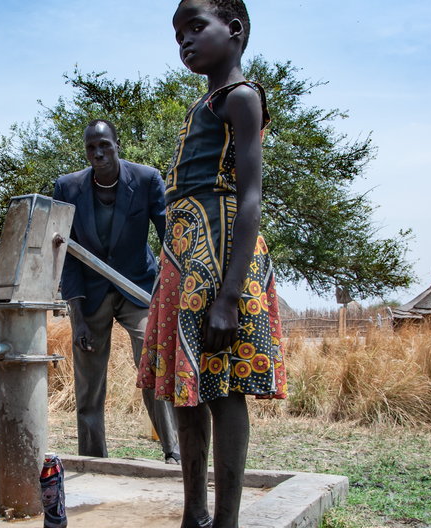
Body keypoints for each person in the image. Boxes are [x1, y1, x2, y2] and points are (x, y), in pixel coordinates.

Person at [136, 2, 288, 527]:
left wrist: (228, 295)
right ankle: (193, 514)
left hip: (219, 257)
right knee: (188, 388)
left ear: (236, 30)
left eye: (196, 27)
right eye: (178, 33)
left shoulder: (241, 98)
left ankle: (224, 520)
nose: (185, 41)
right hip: (185, 259)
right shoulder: (205, 105)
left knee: (223, 390)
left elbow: (250, 199)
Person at [53, 119, 180, 464]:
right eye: (91, 148)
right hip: (90, 295)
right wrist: (77, 317)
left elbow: (170, 238)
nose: (98, 153)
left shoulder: (145, 179)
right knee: (89, 382)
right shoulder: (67, 188)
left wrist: (171, 293)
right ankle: (94, 461)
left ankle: (173, 452)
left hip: (137, 287)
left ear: (117, 144)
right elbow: (66, 254)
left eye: (104, 145)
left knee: (152, 361)